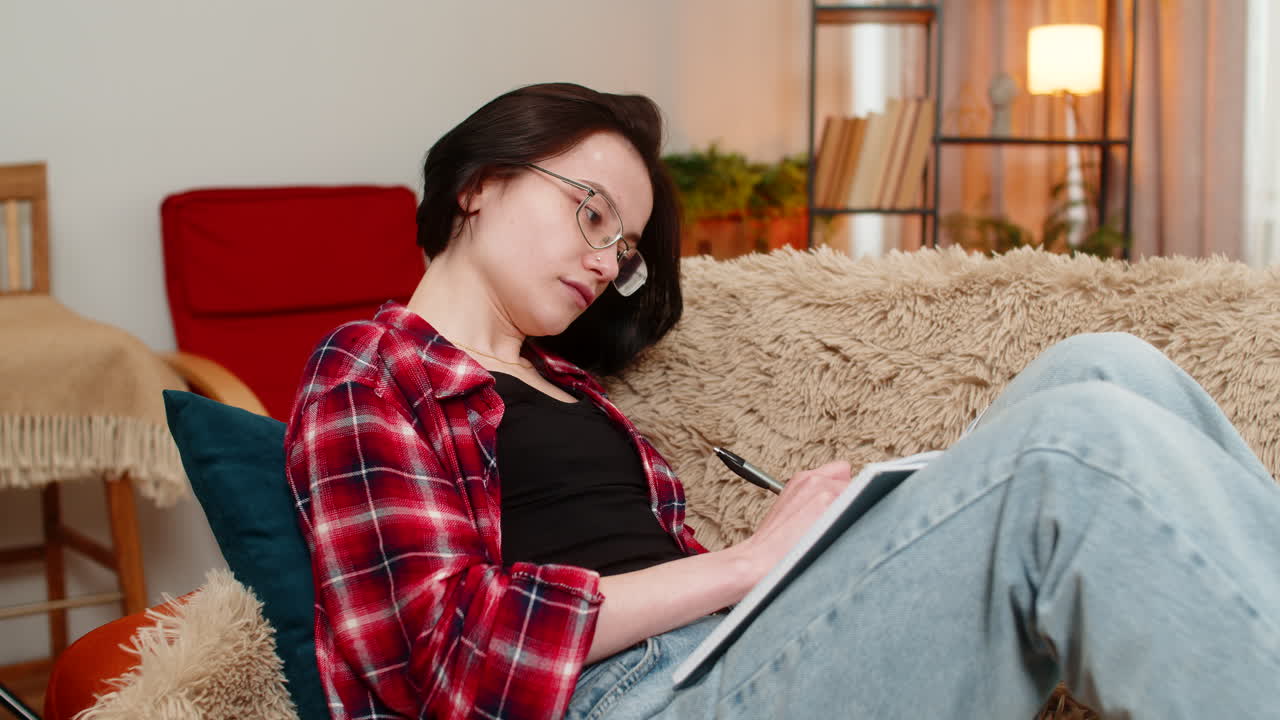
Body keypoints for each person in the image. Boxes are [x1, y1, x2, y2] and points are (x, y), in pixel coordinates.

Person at [283, 82, 1280, 720]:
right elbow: (444, 656)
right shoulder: (370, 367)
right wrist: (746, 564)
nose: (605, 260)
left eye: (623, 247)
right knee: (1070, 444)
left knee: (1102, 366)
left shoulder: (570, 387)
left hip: (723, 655)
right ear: (479, 184)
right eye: (591, 214)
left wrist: (805, 559)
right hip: (623, 702)